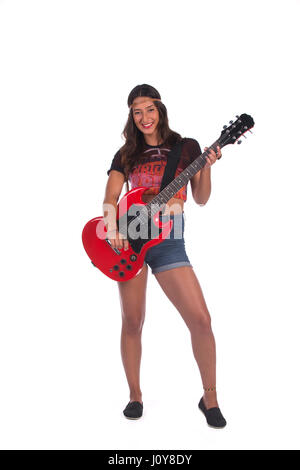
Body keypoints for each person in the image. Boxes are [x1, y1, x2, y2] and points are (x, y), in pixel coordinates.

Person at [103, 84, 227, 428]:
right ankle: (135, 396)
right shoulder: (125, 154)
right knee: (132, 321)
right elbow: (110, 198)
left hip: (169, 239)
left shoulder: (185, 148)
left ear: (161, 110)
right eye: (137, 111)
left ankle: (210, 398)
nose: (144, 117)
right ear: (131, 115)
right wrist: (112, 227)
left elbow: (200, 198)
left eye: (150, 109)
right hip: (130, 242)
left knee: (201, 320)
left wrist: (208, 166)